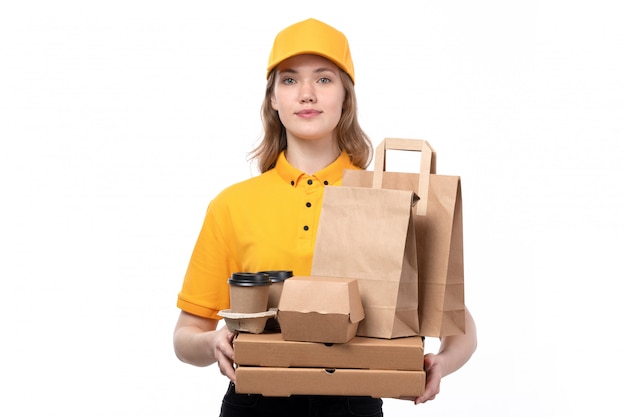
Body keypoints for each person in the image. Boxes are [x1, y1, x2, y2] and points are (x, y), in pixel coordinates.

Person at [173, 17, 477, 417]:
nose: (306, 94)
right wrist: (212, 343)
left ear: (345, 98)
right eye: (289, 80)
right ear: (272, 100)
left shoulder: (388, 199)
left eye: (323, 79)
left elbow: (459, 322)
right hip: (255, 402)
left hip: (353, 401)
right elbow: (185, 336)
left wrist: (444, 362)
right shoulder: (233, 205)